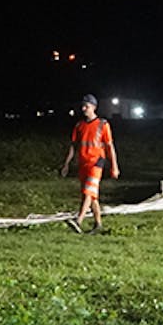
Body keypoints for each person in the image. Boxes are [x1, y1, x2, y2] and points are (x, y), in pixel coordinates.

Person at [59, 94, 119, 234]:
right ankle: (98, 225)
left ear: (94, 107)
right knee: (92, 196)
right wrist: (66, 164)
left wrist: (114, 166)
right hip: (83, 163)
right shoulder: (79, 125)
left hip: (96, 163)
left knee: (88, 193)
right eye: (83, 106)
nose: (83, 108)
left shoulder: (103, 125)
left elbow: (110, 147)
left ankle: (78, 221)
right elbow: (73, 146)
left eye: (86, 106)